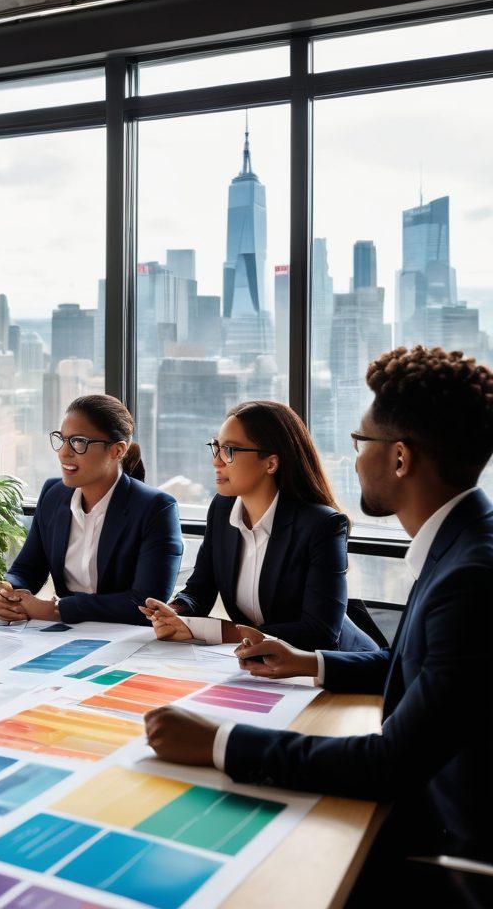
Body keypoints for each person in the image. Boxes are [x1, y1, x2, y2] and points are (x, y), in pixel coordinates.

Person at [144, 346, 493, 888]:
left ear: (400, 459)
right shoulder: (462, 544)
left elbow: (390, 764)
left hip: (449, 850)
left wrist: (219, 743)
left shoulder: (469, 578)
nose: (354, 459)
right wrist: (310, 663)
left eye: (361, 442)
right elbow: (413, 665)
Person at [140, 401, 377, 652]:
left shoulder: (321, 525)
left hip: (339, 669)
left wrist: (212, 630)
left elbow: (319, 632)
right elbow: (200, 589)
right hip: (267, 666)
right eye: (217, 447)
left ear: (271, 463)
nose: (217, 461)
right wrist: (176, 611)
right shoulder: (222, 509)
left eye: (229, 450)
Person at [0, 394, 182, 625]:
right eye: (62, 440)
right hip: (62, 636)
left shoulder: (156, 508)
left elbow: (146, 602)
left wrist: (56, 610)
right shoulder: (53, 494)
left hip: (124, 639)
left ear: (117, 450)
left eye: (78, 442)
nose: (64, 452)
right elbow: (27, 568)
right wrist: (8, 592)